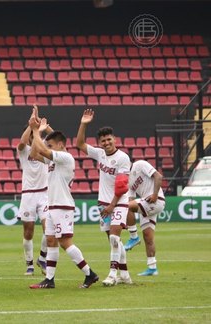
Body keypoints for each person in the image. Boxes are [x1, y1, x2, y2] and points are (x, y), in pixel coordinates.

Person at [28, 107, 99, 289]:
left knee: (66, 243)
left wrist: (36, 130)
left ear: (60, 146)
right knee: (51, 241)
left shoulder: (66, 158)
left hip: (62, 206)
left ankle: (90, 274)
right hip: (53, 206)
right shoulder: (55, 159)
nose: (48, 147)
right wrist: (43, 130)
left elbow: (43, 151)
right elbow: (35, 153)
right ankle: (49, 279)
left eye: (51, 145)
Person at [76, 109, 132, 286]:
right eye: (103, 141)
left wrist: (111, 206)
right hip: (103, 203)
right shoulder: (99, 154)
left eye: (109, 139)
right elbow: (79, 144)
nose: (107, 143)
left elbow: (122, 187)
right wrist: (84, 124)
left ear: (114, 139)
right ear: (99, 143)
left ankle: (112, 274)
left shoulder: (123, 158)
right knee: (113, 240)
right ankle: (125, 274)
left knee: (115, 238)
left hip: (120, 202)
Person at [16, 119, 52, 276]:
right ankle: (29, 264)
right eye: (30, 134)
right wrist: (31, 127)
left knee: (48, 227)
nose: (32, 137)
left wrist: (44, 128)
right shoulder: (24, 151)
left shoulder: (43, 145)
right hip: (28, 194)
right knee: (28, 231)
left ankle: (42, 258)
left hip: (44, 193)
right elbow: (22, 142)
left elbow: (56, 137)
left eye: (33, 134)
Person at [125, 160, 164, 276]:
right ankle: (152, 268)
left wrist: (155, 194)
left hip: (156, 200)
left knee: (124, 207)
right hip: (146, 203)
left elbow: (158, 176)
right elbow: (130, 201)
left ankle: (133, 237)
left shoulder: (140, 164)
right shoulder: (128, 180)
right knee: (148, 237)